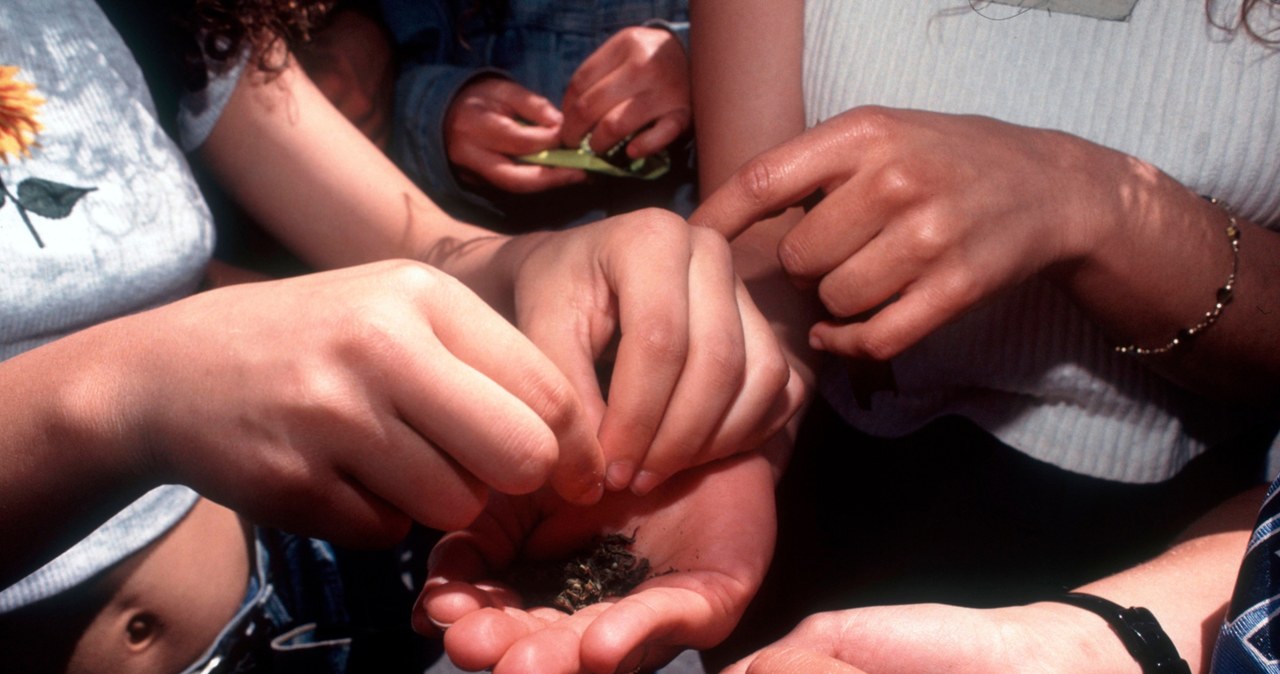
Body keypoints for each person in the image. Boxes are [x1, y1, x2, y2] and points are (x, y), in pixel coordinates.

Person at [414, 0, 1280, 672]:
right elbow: (762, 246)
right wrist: (725, 426)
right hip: (826, 481)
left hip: (1194, 525)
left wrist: (1091, 205)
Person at [0, 0, 801, 671]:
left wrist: (541, 262)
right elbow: (144, 380)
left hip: (288, 611)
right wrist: (132, 394)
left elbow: (422, 242)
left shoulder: (161, 15)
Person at [379, 0, 696, 230]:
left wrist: (699, 66)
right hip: (490, 259)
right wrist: (440, 114)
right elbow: (369, 76)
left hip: (692, 252)